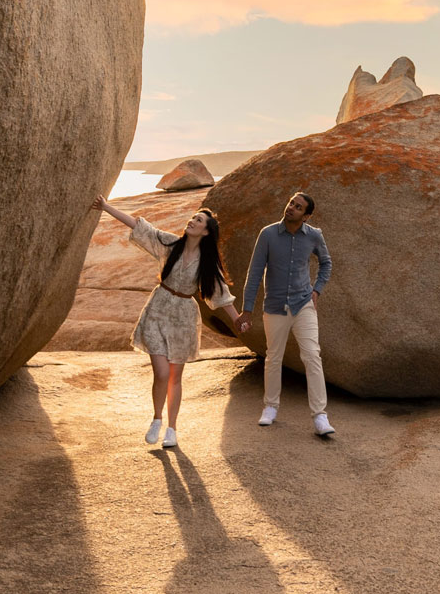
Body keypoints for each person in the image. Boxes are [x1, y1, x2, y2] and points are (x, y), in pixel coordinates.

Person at [91, 195, 250, 448]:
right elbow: (140, 226)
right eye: (193, 217)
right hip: (158, 309)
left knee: (175, 376)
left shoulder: (207, 264)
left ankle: (172, 429)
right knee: (162, 372)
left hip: (183, 316)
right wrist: (106, 207)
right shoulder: (171, 243)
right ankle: (156, 419)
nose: (192, 221)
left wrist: (237, 319)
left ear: (207, 231)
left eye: (198, 220)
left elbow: (221, 295)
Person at [242, 191, 336, 436]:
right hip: (274, 305)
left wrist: (317, 291)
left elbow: (326, 263)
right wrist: (247, 309)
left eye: (298, 206)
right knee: (274, 357)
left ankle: (320, 416)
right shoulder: (268, 234)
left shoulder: (314, 236)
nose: (291, 208)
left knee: (312, 355)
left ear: (306, 215)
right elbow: (254, 273)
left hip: (304, 303)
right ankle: (270, 407)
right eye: (291, 203)